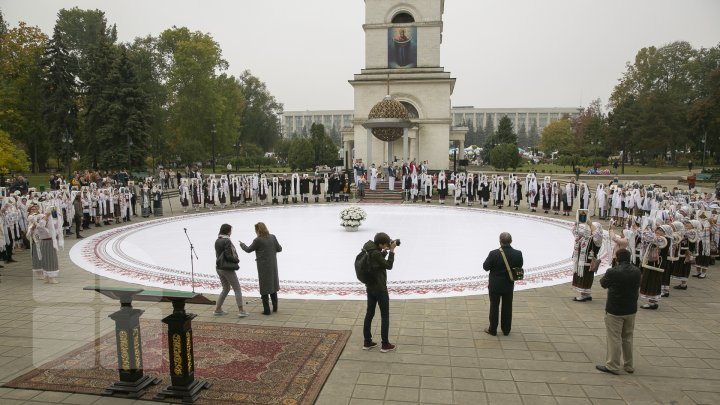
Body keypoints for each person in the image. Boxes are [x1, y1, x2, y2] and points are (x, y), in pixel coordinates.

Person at [596, 249, 641, 375]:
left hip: (615, 309)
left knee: (614, 338)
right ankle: (629, 365)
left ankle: (613, 365)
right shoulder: (636, 270)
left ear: (617, 258)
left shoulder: (613, 271)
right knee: (628, 337)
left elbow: (603, 284)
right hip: (631, 308)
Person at [362, 232, 397, 352]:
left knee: (369, 314)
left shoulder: (369, 249)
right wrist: (391, 251)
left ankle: (367, 342)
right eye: (385, 244)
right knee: (385, 315)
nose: (388, 245)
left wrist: (384, 251)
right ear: (381, 244)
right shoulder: (376, 253)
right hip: (380, 289)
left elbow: (376, 261)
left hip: (370, 287)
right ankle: (385, 344)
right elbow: (388, 265)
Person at [483, 232, 523, 336]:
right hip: (508, 285)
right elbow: (520, 265)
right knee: (507, 307)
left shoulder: (493, 253)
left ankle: (492, 329)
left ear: (500, 241)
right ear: (511, 241)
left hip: (495, 285)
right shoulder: (518, 253)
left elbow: (485, 267)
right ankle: (506, 330)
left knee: (494, 307)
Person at [240, 222, 283, 315]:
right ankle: (275, 308)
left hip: (263, 267)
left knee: (264, 287)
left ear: (257, 230)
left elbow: (248, 250)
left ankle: (267, 310)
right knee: (273, 285)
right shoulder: (273, 237)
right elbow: (279, 249)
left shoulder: (258, 240)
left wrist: (242, 245)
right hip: (273, 265)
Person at [213, 224, 249, 318]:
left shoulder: (217, 240)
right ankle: (241, 310)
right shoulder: (227, 241)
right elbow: (228, 255)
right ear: (228, 231)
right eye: (230, 230)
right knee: (237, 288)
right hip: (226, 268)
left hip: (219, 267)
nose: (231, 232)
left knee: (226, 288)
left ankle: (218, 309)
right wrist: (236, 260)